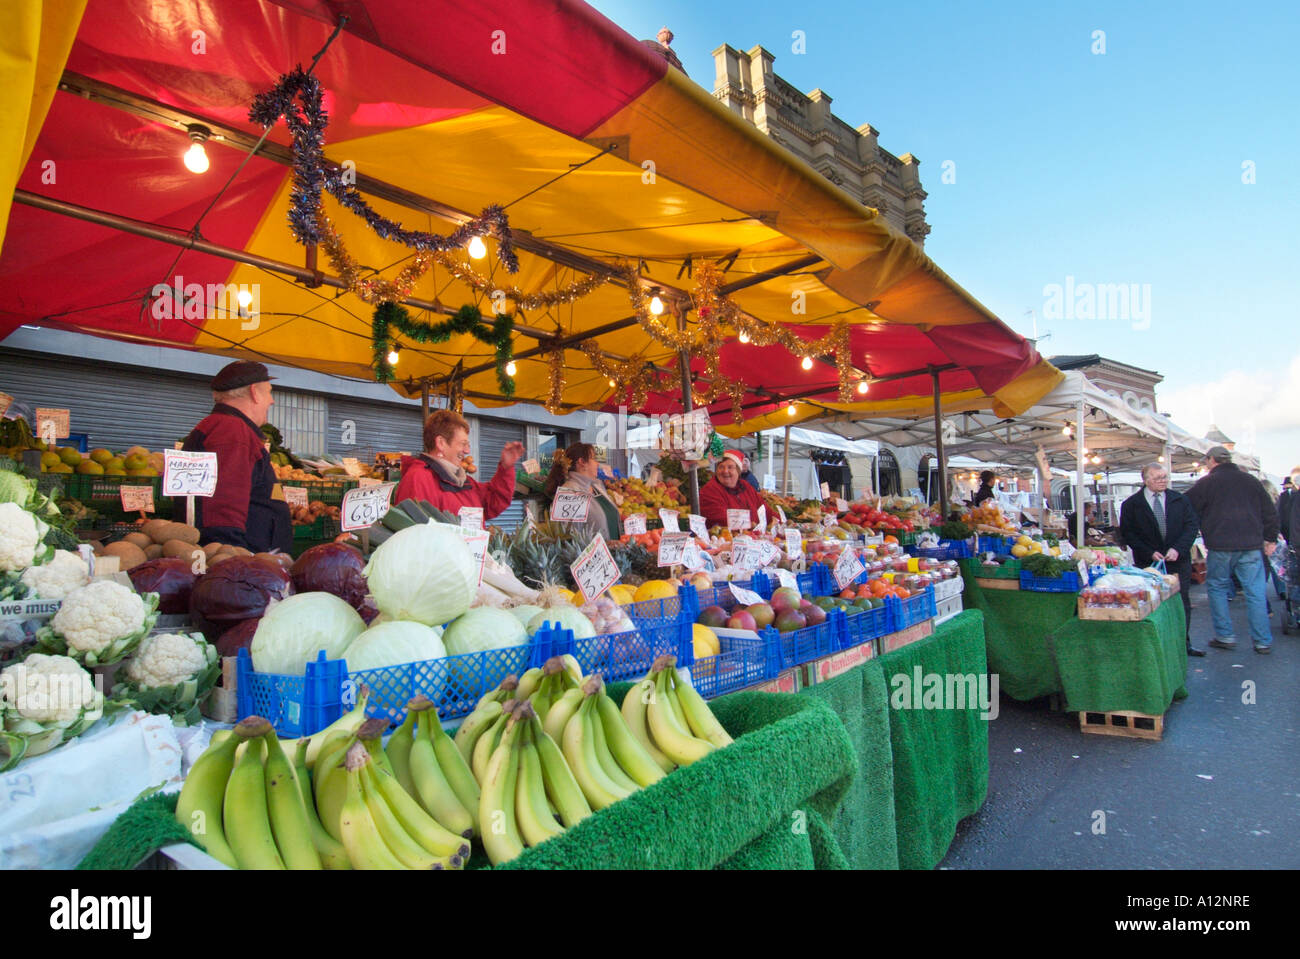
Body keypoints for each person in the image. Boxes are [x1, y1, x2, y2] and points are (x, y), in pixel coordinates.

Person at [182, 360, 292, 553]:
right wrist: (232, 559)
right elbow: (222, 510)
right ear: (254, 392)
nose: (272, 400)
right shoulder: (232, 431)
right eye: (269, 391)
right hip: (243, 560)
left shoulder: (224, 426)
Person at [1185, 445, 1280, 654]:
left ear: (1211, 460)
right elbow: (1270, 512)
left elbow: (1186, 506)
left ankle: (1225, 636)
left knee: (1217, 588)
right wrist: (1270, 538)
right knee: (1255, 593)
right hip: (1251, 545)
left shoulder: (1206, 483)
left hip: (1220, 545)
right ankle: (1263, 641)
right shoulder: (1251, 481)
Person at [1119, 463, 1203, 656]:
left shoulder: (1180, 500)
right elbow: (1128, 533)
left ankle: (1183, 643)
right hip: (1148, 562)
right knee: (1153, 602)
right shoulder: (1131, 504)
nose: (1162, 481)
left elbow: (1191, 527)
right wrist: (1148, 552)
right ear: (1146, 480)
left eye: (1164, 477)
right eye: (1157, 478)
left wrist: (1178, 549)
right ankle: (1158, 643)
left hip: (1177, 560)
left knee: (1181, 601)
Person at [394, 409, 523, 520]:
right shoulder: (418, 480)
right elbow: (415, 535)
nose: (467, 451)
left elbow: (494, 502)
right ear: (441, 443)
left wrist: (506, 469)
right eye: (463, 444)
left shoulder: (462, 481)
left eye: (468, 445)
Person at [542, 443, 622, 542]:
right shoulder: (569, 492)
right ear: (582, 462)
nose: (597, 463)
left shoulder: (597, 486)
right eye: (593, 459)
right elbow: (567, 537)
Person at [699, 449, 764, 529]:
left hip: (752, 538)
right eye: (721, 467)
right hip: (722, 539)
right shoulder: (709, 490)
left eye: (730, 467)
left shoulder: (746, 486)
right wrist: (749, 525)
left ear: (738, 471)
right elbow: (719, 518)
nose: (725, 471)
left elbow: (764, 509)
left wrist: (779, 521)